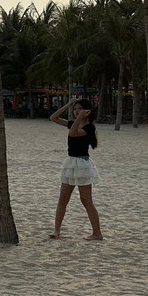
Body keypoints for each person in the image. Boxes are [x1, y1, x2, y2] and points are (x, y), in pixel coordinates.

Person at [49, 98, 103, 241]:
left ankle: (97, 233)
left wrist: (80, 117)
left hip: (83, 164)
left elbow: (73, 133)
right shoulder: (74, 123)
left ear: (87, 111)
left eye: (79, 108)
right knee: (62, 200)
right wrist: (67, 105)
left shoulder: (89, 127)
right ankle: (56, 230)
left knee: (86, 200)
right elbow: (53, 118)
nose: (76, 111)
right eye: (75, 109)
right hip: (71, 163)